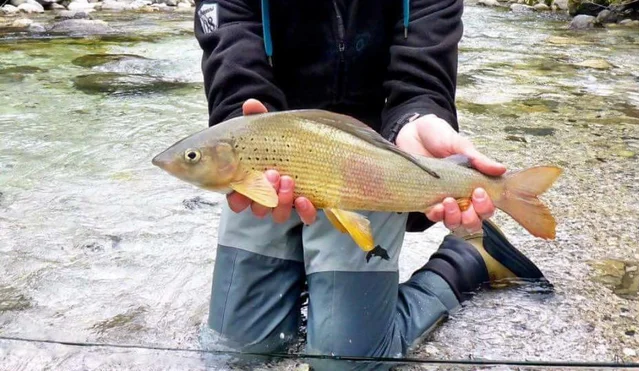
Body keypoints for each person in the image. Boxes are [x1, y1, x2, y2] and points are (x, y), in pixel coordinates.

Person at [192, 0, 548, 369]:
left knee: (343, 362)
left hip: (372, 164)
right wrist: (242, 120)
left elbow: (422, 75)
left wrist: (416, 120)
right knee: (234, 357)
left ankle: (467, 259)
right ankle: (307, 278)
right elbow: (229, 47)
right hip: (269, 158)